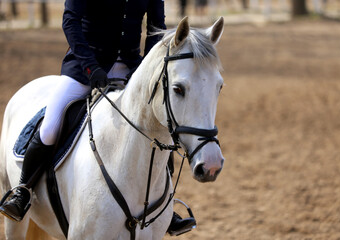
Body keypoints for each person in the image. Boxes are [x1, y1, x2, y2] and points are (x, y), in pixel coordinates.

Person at [0, 0, 195, 235]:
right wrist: (91, 67)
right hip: (84, 69)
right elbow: (70, 22)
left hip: (132, 70)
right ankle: (23, 190)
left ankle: (164, 206)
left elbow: (156, 27)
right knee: (51, 125)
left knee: (160, 125)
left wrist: (145, 69)